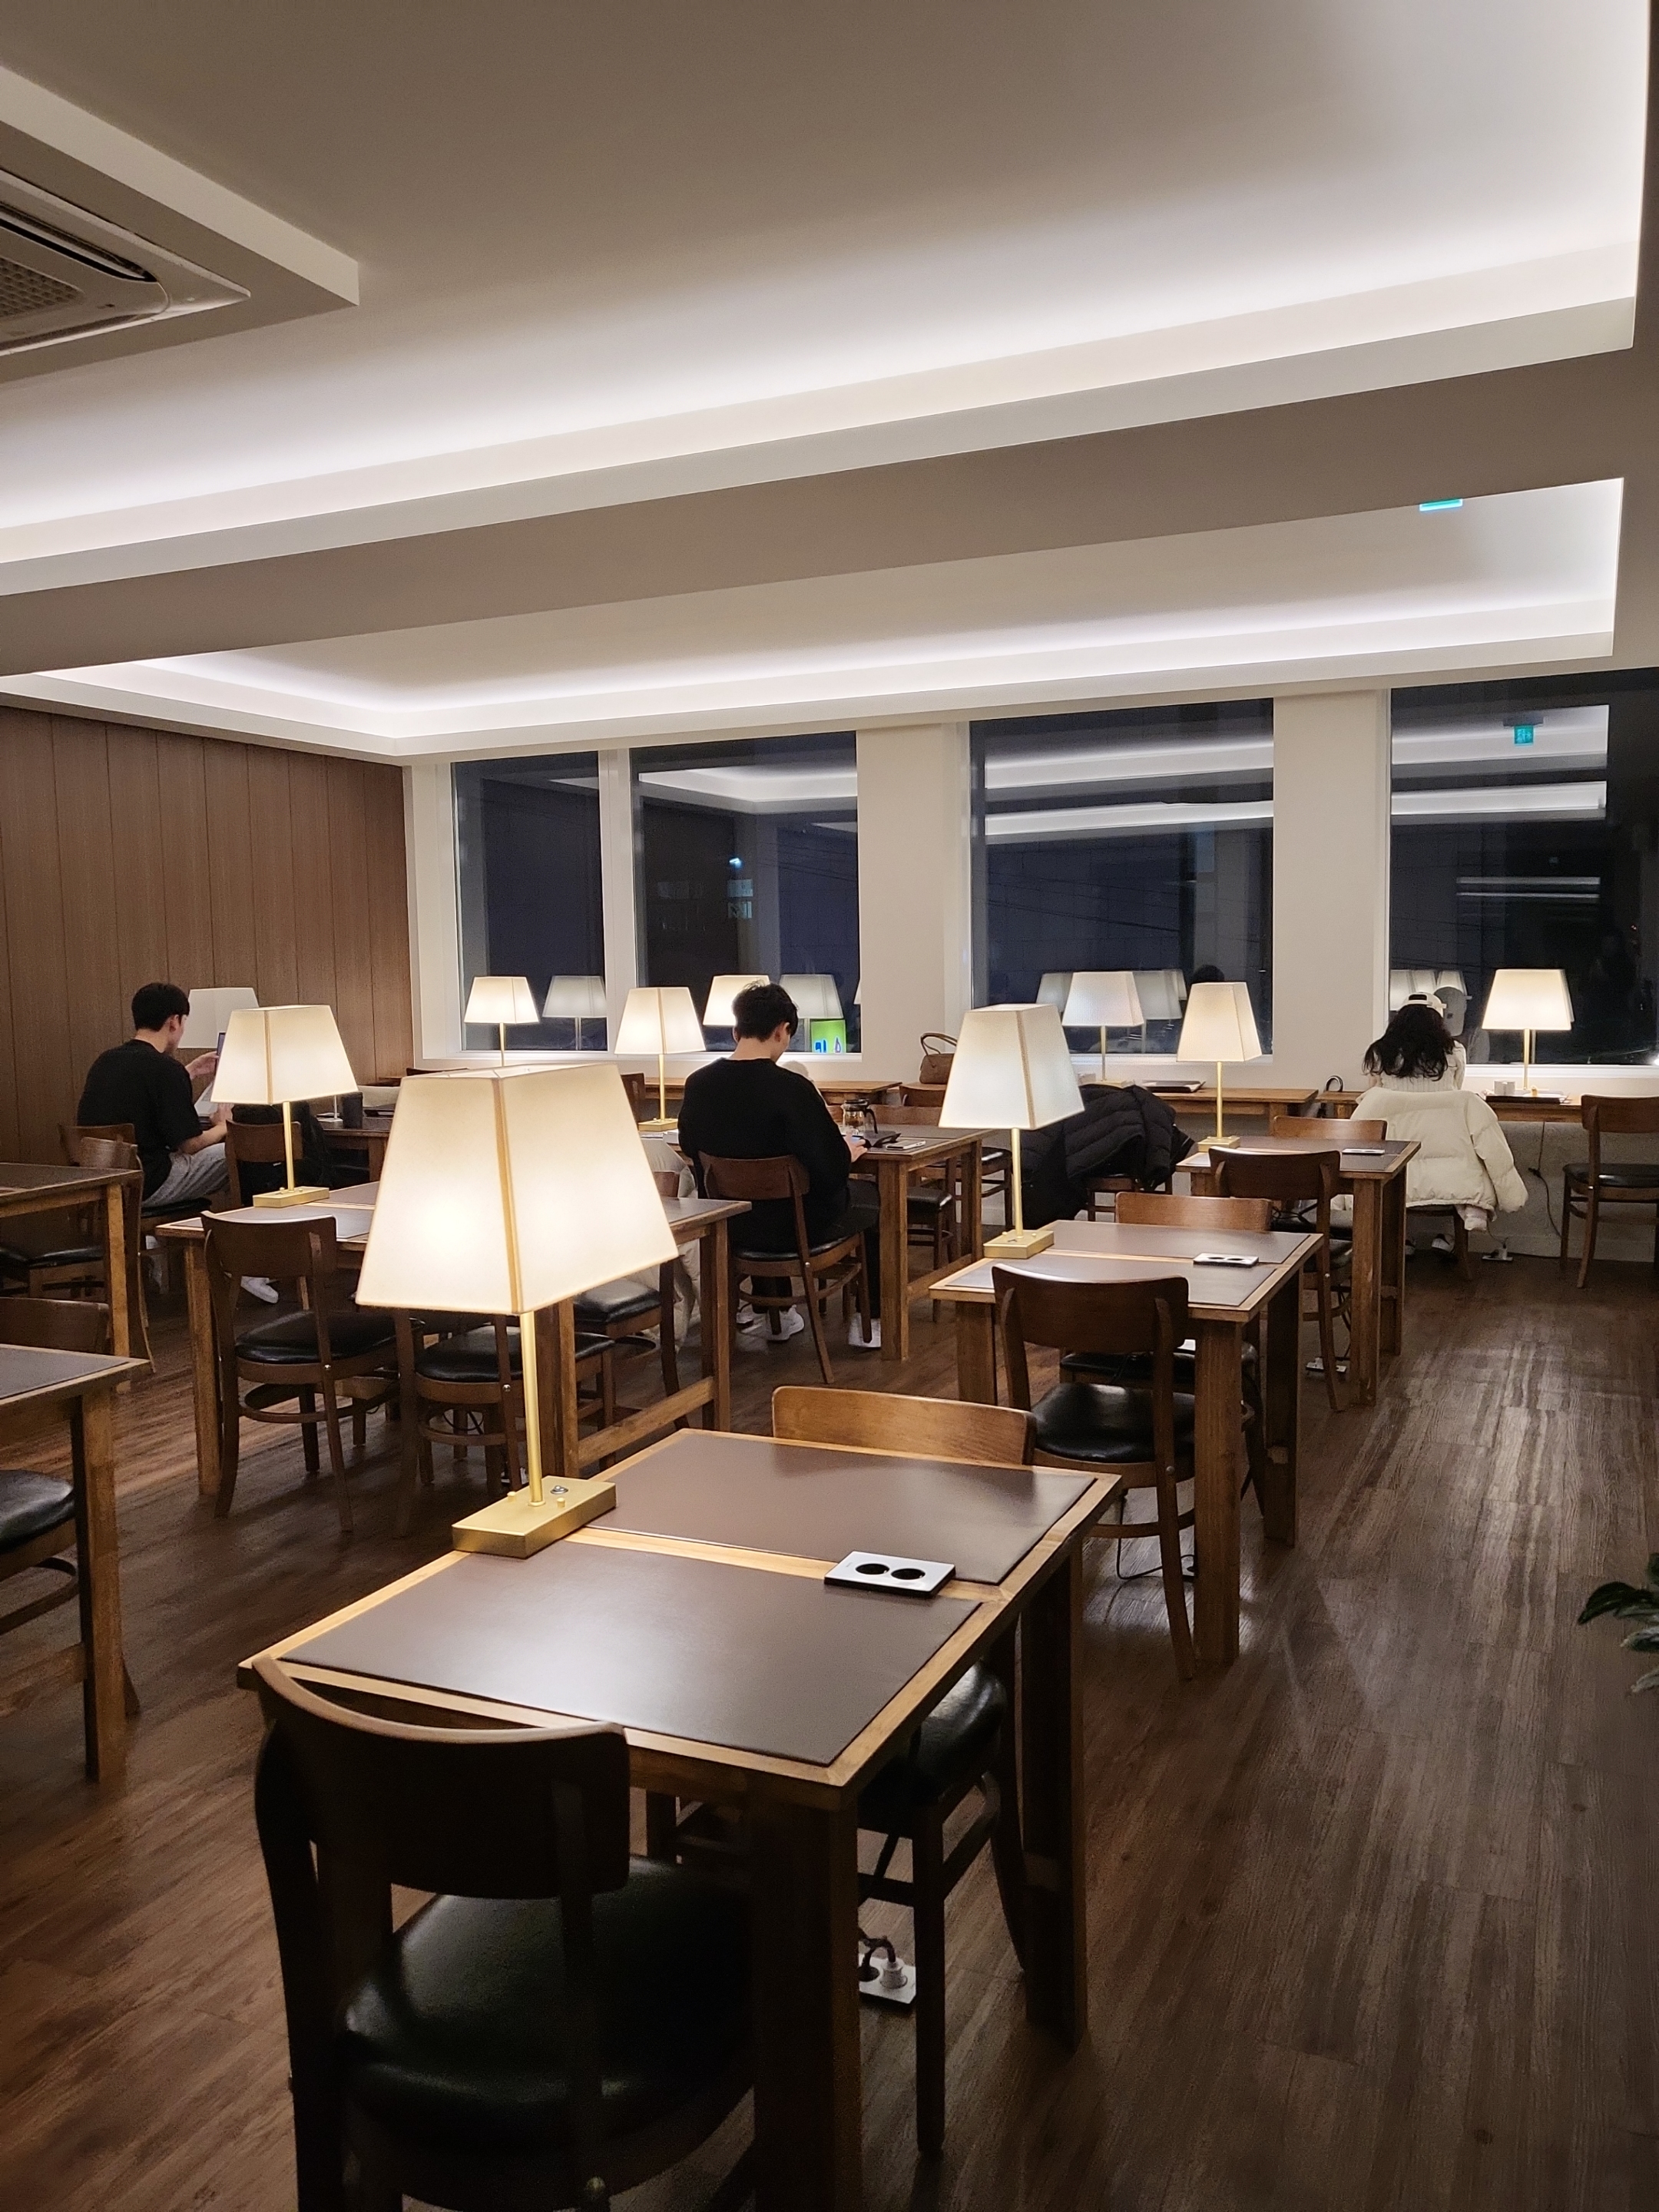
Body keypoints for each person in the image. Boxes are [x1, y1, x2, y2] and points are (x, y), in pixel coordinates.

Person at [677, 980, 882, 1349]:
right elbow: (829, 1171)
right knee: (870, 1198)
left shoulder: (698, 1085)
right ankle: (870, 1323)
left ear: (737, 1031)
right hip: (797, 1229)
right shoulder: (793, 1089)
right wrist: (845, 1154)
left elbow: (691, 1149)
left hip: (733, 1224)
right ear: (781, 1031)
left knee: (760, 1204)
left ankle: (777, 1316)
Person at [1352, 1000, 1525, 1239]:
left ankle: (1401, 1239)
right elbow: (1456, 1089)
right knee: (1471, 1146)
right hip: (1451, 1167)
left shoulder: (1379, 1052)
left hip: (1396, 1167)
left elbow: (1374, 1092)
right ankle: (1471, 1205)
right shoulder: (1454, 1051)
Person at [78, 982, 229, 1207]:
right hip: (147, 1183)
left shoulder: (106, 1061)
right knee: (233, 1153)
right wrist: (223, 1127)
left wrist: (190, 1071)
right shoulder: (166, 1069)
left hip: (104, 1183)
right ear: (174, 1022)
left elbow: (140, 1091)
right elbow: (191, 1145)